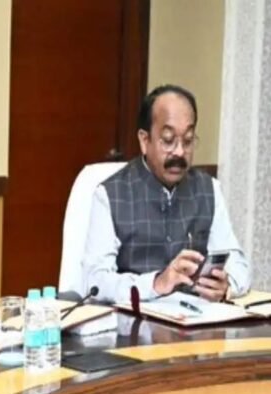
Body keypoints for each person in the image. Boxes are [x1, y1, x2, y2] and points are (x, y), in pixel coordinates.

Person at [83, 84, 251, 303]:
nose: (180, 152)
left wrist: (227, 284)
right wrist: (156, 283)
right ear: (145, 141)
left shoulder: (208, 189)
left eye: (188, 140)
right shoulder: (110, 194)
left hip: (197, 318)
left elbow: (239, 266)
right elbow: (95, 282)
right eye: (168, 140)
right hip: (134, 319)